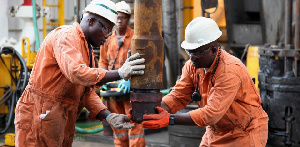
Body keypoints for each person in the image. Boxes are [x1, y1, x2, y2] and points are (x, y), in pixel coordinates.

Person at [14, 0, 146, 146]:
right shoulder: (67, 36)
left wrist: (109, 116)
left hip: (59, 116)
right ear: (91, 21)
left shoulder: (87, 50)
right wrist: (120, 73)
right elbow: (76, 73)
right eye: (106, 30)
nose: (107, 36)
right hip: (40, 113)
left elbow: (86, 92)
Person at [142, 17, 269, 147]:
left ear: (214, 50)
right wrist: (146, 111)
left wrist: (170, 119)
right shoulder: (192, 66)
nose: (191, 58)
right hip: (215, 130)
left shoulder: (229, 70)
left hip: (243, 132)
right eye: (189, 52)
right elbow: (177, 96)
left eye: (196, 53)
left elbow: (211, 113)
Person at [98, 1, 145, 146]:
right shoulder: (107, 38)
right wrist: (103, 78)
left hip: (130, 90)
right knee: (117, 124)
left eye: (123, 17)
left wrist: (130, 80)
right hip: (113, 89)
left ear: (129, 19)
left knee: (134, 123)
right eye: (117, 17)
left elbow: (141, 63)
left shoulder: (135, 38)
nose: (119, 20)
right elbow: (103, 61)